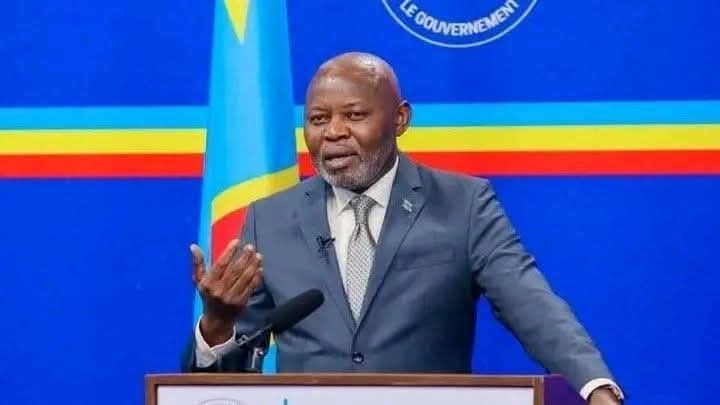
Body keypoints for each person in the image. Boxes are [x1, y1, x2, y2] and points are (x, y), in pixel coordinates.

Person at [183, 52, 624, 404]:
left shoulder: (464, 203)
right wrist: (217, 326)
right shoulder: (270, 218)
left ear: (399, 119)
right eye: (318, 120)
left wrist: (594, 387)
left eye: (354, 115)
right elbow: (222, 382)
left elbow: (530, 304)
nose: (333, 132)